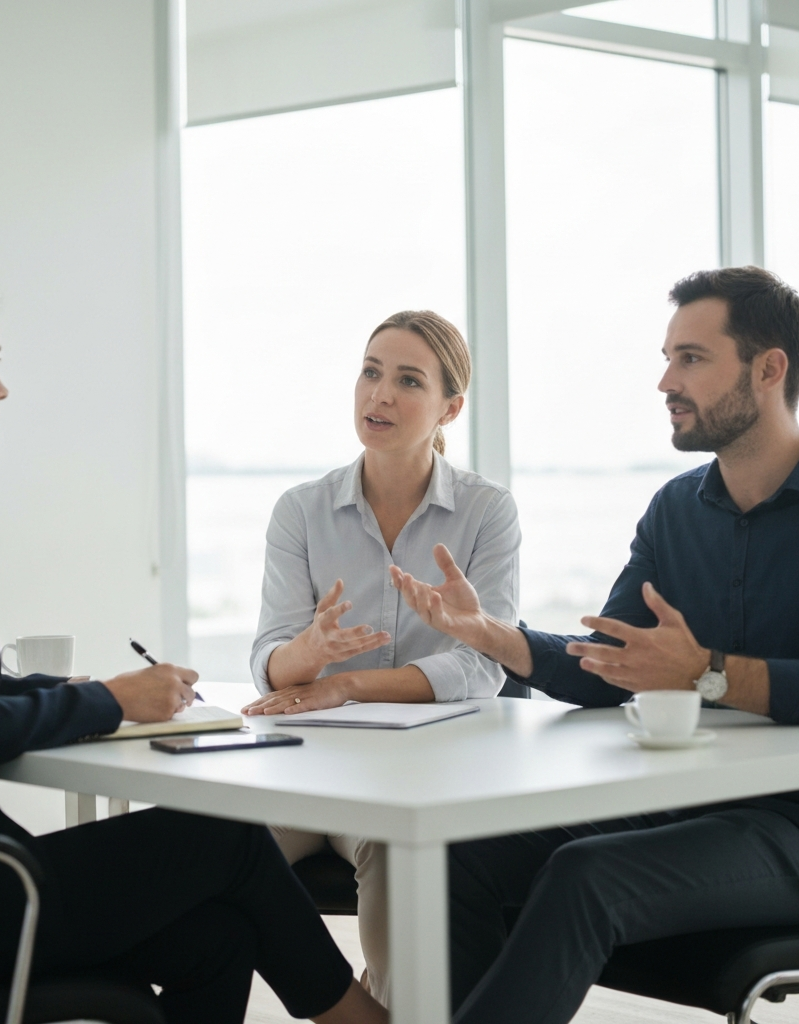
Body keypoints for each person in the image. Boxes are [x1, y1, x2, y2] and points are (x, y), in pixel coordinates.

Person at [0, 258, 386, 1024]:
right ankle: (362, 1020)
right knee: (227, 841)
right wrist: (107, 700)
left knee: (215, 938)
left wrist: (109, 698)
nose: (3, 388)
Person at [390, 267, 799, 1024]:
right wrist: (492, 635)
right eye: (666, 357)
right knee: (463, 853)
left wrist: (707, 675)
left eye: (691, 358)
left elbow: (701, 675)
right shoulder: (676, 509)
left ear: (769, 368)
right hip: (686, 802)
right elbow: (609, 670)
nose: (664, 381)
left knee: (585, 875)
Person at [242, 310, 521, 1005]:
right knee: (218, 855)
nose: (380, 396)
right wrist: (304, 653)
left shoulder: (487, 513)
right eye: (370, 372)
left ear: (449, 407)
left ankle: (399, 1007)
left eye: (406, 380)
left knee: (397, 849)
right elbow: (269, 662)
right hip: (309, 765)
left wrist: (349, 685)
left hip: (419, 778)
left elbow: (483, 666)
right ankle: (352, 1009)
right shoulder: (301, 511)